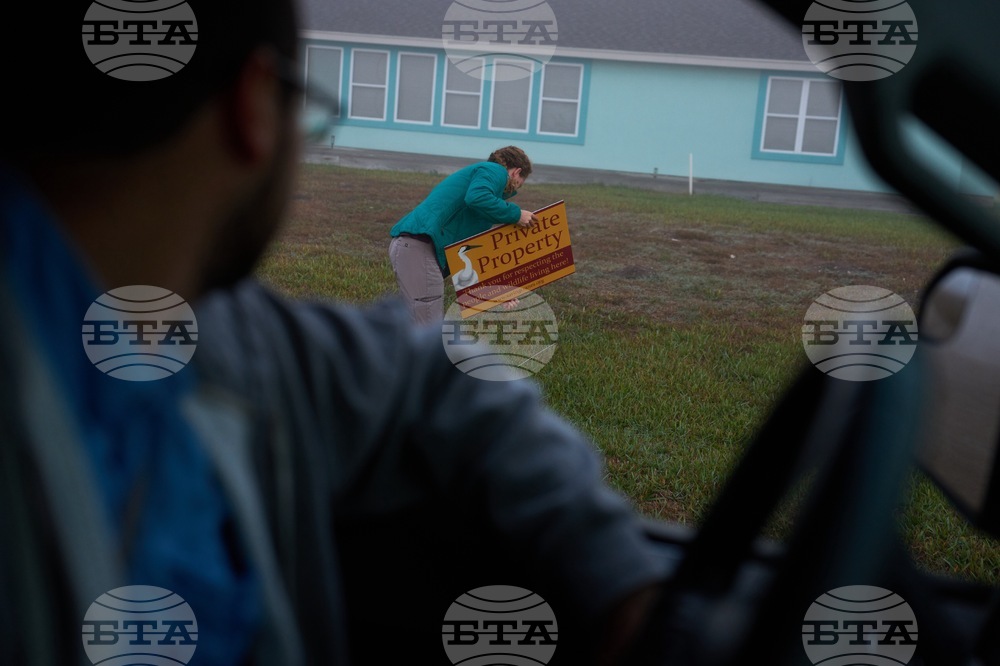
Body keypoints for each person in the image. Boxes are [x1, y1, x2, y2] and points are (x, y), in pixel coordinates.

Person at [0, 1, 664, 664]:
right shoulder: (491, 173)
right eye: (306, 111)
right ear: (256, 107)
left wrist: (617, 575)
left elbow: (427, 375)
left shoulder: (230, 335)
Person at [388, 146, 539, 324]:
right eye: (519, 183)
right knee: (428, 330)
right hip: (419, 247)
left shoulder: (481, 201)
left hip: (413, 248)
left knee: (415, 327)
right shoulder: (494, 170)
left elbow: (469, 255)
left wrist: (498, 292)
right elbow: (477, 197)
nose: (513, 191)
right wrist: (516, 215)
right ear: (516, 172)